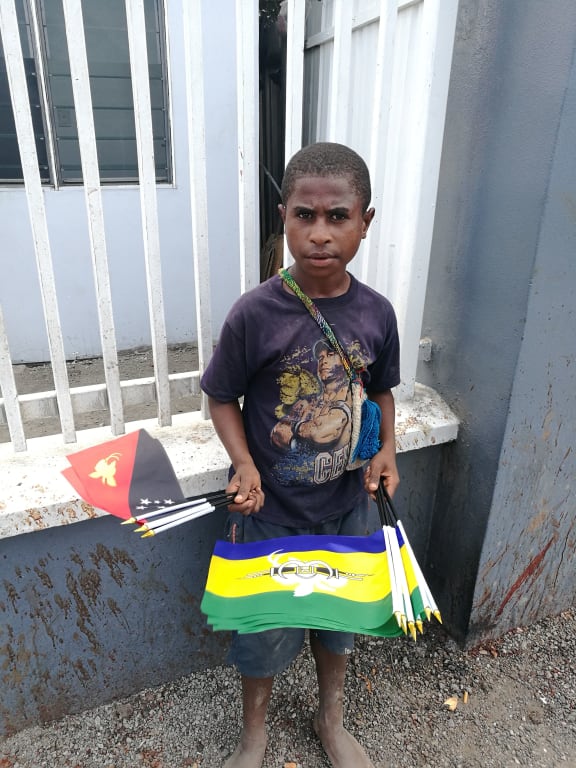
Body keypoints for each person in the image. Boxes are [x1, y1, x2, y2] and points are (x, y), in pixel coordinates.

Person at [200, 142, 400, 768]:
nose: (319, 234)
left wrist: (386, 451)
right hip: (271, 512)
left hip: (348, 508)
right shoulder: (255, 314)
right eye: (303, 216)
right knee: (263, 630)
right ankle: (253, 733)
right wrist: (246, 464)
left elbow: (382, 390)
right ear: (283, 216)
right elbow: (221, 397)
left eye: (338, 216)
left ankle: (330, 718)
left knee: (337, 625)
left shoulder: (376, 314)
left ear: (366, 221)